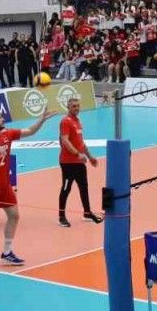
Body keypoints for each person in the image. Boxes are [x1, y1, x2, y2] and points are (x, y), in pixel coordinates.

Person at [0, 107, 53, 264]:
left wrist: (41, 120)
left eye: (1, 117)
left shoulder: (7, 134)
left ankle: (7, 252)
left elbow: (29, 131)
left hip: (4, 185)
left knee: (14, 215)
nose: (2, 119)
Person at [58, 92, 103, 226]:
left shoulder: (77, 122)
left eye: (78, 106)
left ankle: (87, 212)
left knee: (84, 187)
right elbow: (65, 140)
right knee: (66, 188)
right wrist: (78, 154)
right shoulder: (65, 121)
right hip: (68, 163)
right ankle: (61, 217)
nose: (76, 108)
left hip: (79, 162)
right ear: (68, 107)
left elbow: (81, 143)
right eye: (73, 106)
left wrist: (90, 157)